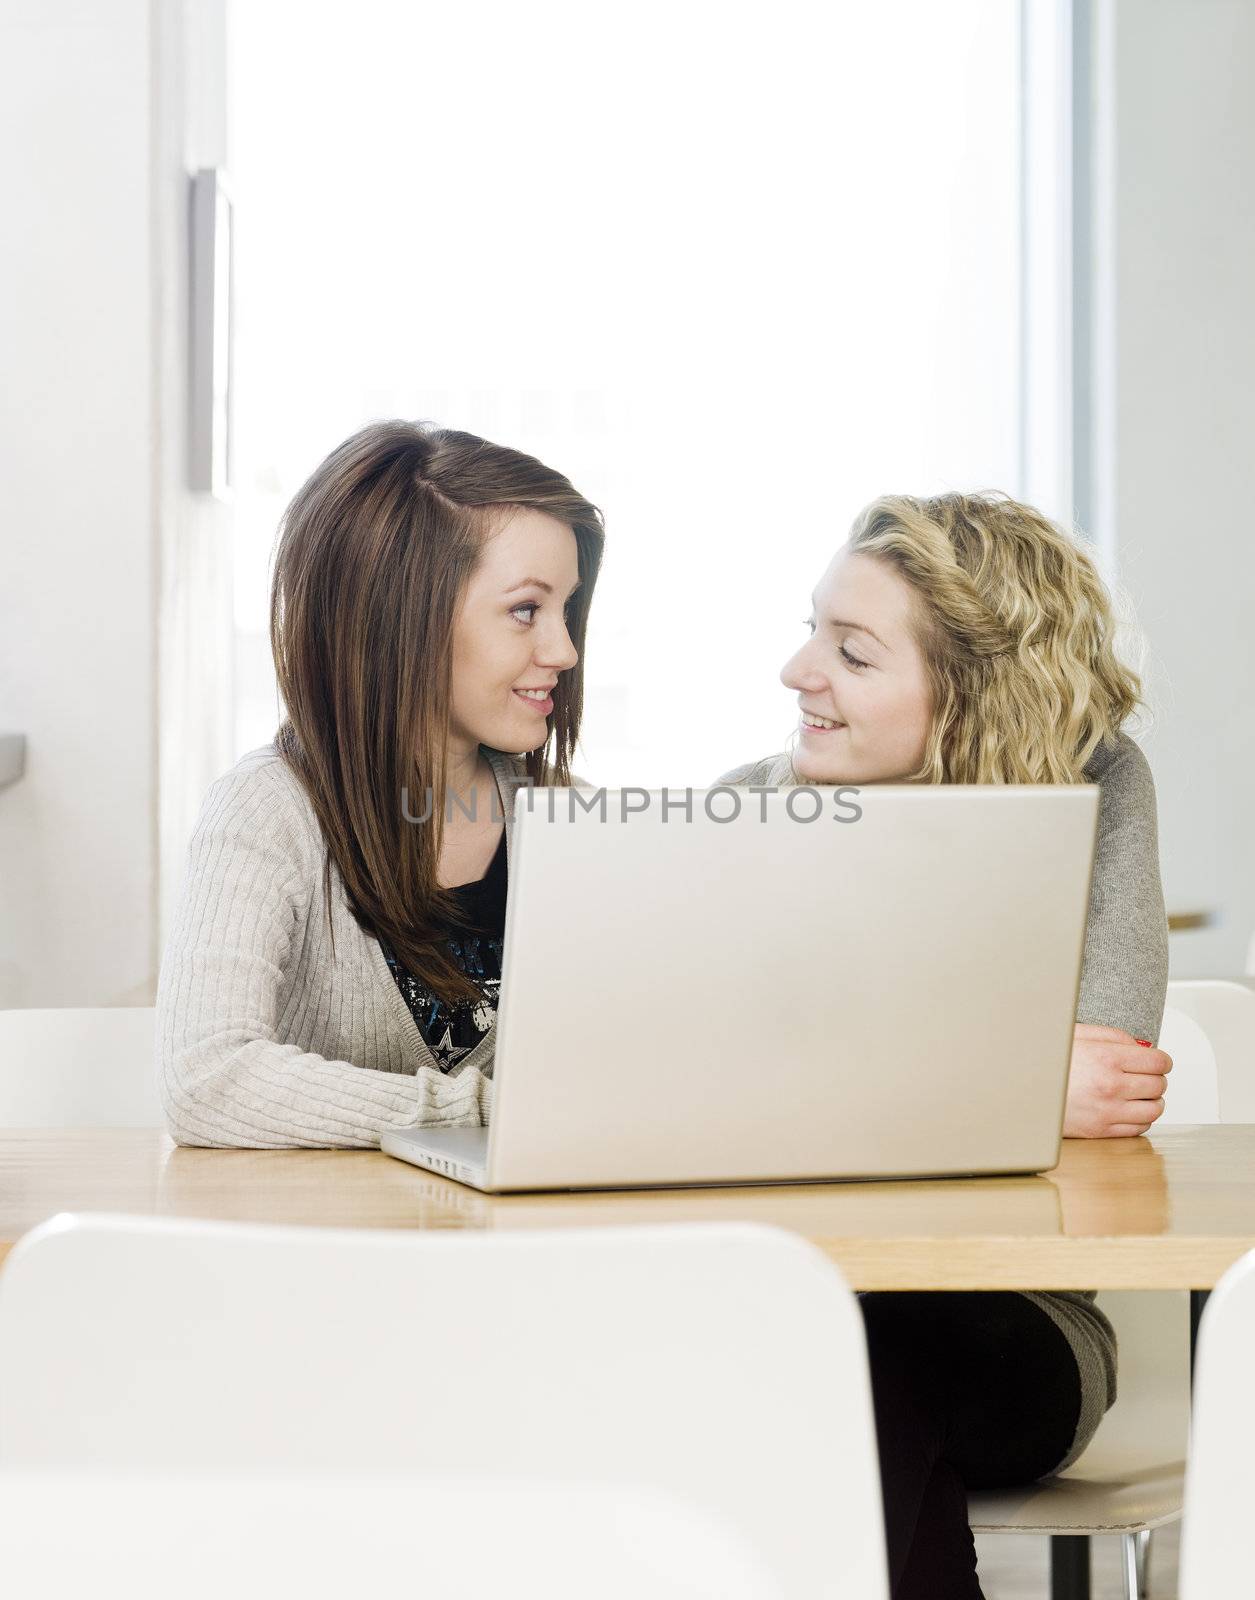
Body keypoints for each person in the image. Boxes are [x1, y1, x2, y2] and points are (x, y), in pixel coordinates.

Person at [719, 491, 1171, 1600]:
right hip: (776, 1300)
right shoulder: (741, 811)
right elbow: (699, 1089)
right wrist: (1011, 1074)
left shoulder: (1094, 787)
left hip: (1013, 1322)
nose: (795, 670)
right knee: (814, 1338)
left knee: (856, 1342)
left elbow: (1101, 1073)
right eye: (812, 626)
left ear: (966, 695)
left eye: (851, 652)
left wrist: (826, 1077)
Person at [156, 419, 603, 1146]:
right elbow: (206, 1081)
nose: (564, 649)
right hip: (322, 1253)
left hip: (520, 1253)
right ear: (402, 617)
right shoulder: (269, 812)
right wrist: (478, 1112)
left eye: (565, 609)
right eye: (526, 609)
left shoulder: (570, 818)